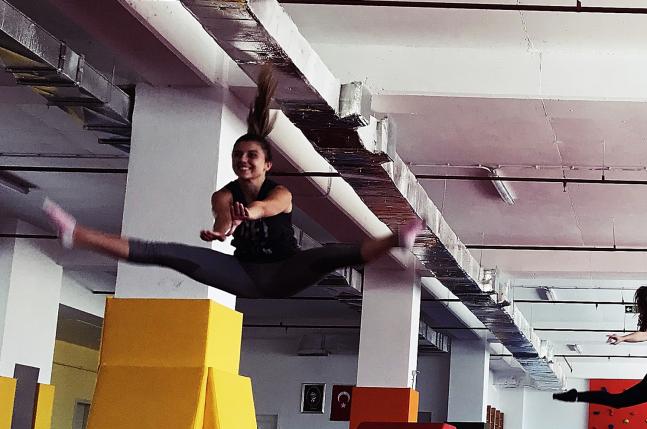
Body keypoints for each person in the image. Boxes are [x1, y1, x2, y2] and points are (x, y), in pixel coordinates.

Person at [42, 66, 422, 299]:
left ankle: (396, 239)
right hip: (243, 274)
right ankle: (77, 234)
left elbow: (266, 208)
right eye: (238, 155)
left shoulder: (280, 193)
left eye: (251, 155)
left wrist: (249, 215)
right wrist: (222, 231)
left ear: (267, 164)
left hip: (286, 271)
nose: (243, 160)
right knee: (166, 252)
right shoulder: (224, 194)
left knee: (331, 254)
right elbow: (224, 222)